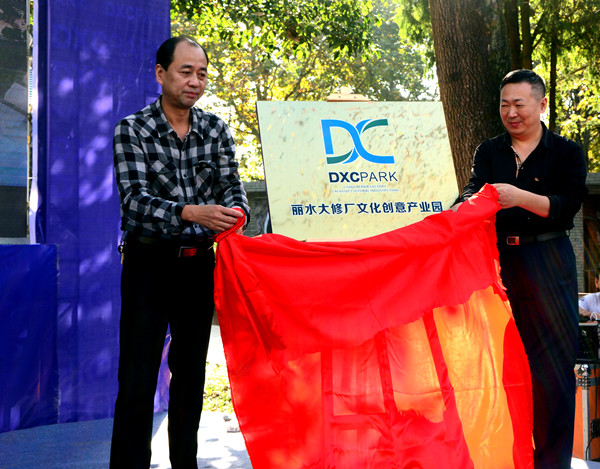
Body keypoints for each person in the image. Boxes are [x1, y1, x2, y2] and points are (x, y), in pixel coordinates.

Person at [110, 36, 250, 469]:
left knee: (190, 378)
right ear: (161, 73)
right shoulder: (132, 129)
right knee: (137, 378)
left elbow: (233, 188)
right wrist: (191, 212)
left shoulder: (216, 130)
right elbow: (134, 202)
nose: (195, 82)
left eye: (202, 74)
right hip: (147, 265)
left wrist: (238, 213)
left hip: (198, 266)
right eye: (185, 71)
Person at [457, 69, 587, 468]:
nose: (511, 113)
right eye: (504, 105)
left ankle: (552, 463)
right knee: (501, 365)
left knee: (554, 374)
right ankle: (510, 458)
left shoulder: (566, 152)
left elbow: (565, 207)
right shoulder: (489, 151)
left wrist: (519, 197)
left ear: (541, 104)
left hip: (550, 262)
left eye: (519, 104)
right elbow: (471, 192)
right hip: (499, 268)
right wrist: (459, 209)